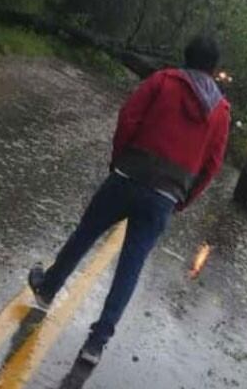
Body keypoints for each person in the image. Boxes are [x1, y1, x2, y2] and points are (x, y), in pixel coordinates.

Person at [27, 35, 230, 365]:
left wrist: (120, 159)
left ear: (186, 57)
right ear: (214, 69)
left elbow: (128, 117)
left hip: (127, 177)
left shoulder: (163, 80)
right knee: (130, 267)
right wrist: (183, 199)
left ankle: (48, 287)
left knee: (85, 235)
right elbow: (212, 166)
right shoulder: (220, 112)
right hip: (164, 197)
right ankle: (96, 342)